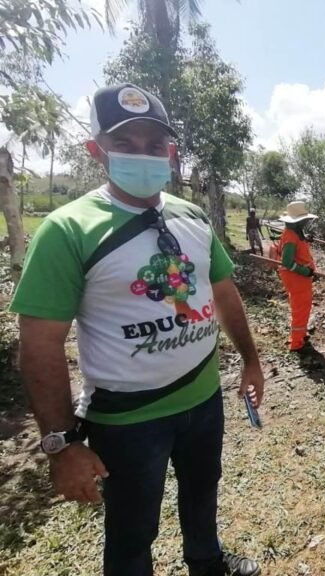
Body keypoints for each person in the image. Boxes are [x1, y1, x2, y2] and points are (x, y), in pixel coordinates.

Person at [10, 84, 264, 576]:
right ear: (96, 150)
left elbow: (224, 293)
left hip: (203, 400)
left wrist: (251, 361)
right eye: (125, 144)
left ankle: (207, 562)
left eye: (154, 146)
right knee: (132, 529)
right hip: (128, 422)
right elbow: (40, 346)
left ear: (169, 153)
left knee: (202, 490)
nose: (143, 156)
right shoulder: (67, 231)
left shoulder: (192, 218)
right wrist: (62, 444)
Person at [277, 201, 317, 352]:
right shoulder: (290, 236)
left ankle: (300, 334)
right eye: (304, 220)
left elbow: (300, 244)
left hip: (301, 279)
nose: (306, 222)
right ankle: (296, 343)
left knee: (303, 306)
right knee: (300, 308)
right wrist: (304, 271)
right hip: (297, 279)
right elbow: (287, 262)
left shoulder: (294, 232)